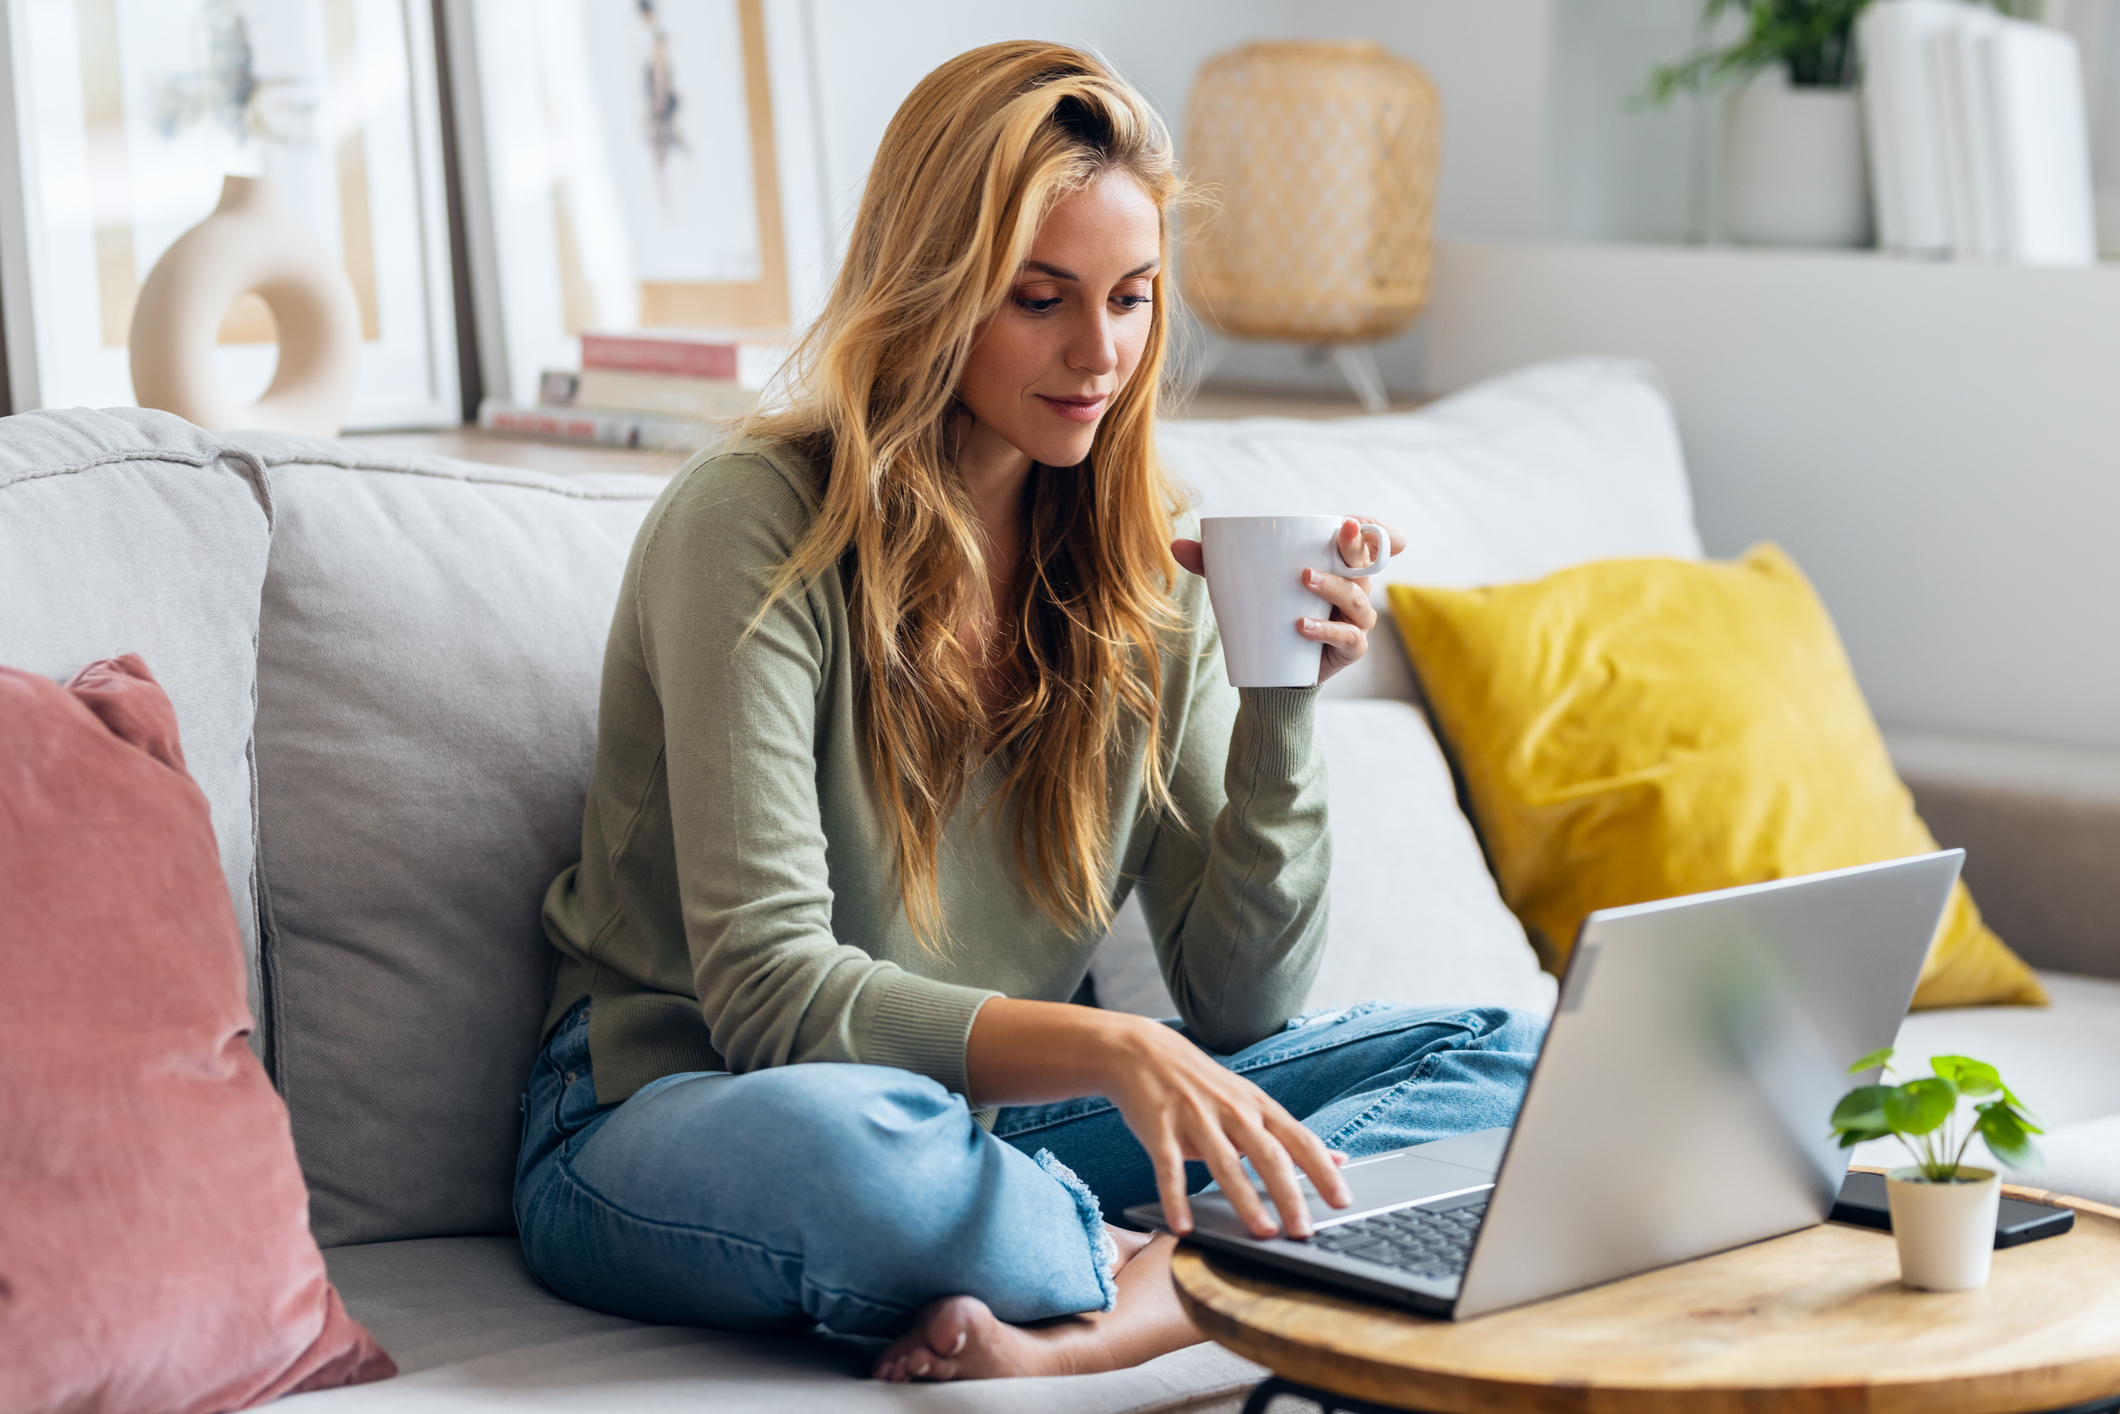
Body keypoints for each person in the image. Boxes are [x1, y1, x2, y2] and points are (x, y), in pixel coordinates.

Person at [515, 40, 1545, 1383]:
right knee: (865, 1154)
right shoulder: (752, 526)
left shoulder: (1151, 560)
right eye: (1041, 298)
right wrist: (1112, 1050)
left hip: (994, 1128)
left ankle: (1106, 1300)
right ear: (935, 291)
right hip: (671, 1112)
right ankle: (1204, 1275)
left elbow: (1240, 998)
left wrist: (1283, 699)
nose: (1099, 352)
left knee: (1509, 1065)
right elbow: (765, 994)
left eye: (1131, 297)